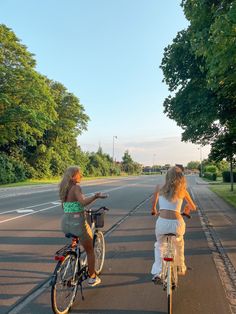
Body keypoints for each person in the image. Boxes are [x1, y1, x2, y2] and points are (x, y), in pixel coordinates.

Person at [59, 166, 108, 287]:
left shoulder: (64, 189)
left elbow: (68, 206)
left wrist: (80, 210)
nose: (81, 176)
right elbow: (83, 202)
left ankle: (72, 260)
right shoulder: (76, 188)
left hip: (65, 223)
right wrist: (96, 196)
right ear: (73, 176)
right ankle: (92, 278)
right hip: (77, 224)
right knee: (90, 250)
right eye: (79, 174)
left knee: (77, 241)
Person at [151, 166, 196, 283]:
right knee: (179, 243)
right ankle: (180, 266)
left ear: (167, 176)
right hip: (177, 224)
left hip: (162, 223)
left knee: (159, 245)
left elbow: (154, 202)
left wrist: (154, 209)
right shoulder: (183, 191)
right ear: (181, 177)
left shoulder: (159, 187)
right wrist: (186, 208)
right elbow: (193, 207)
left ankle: (159, 272)